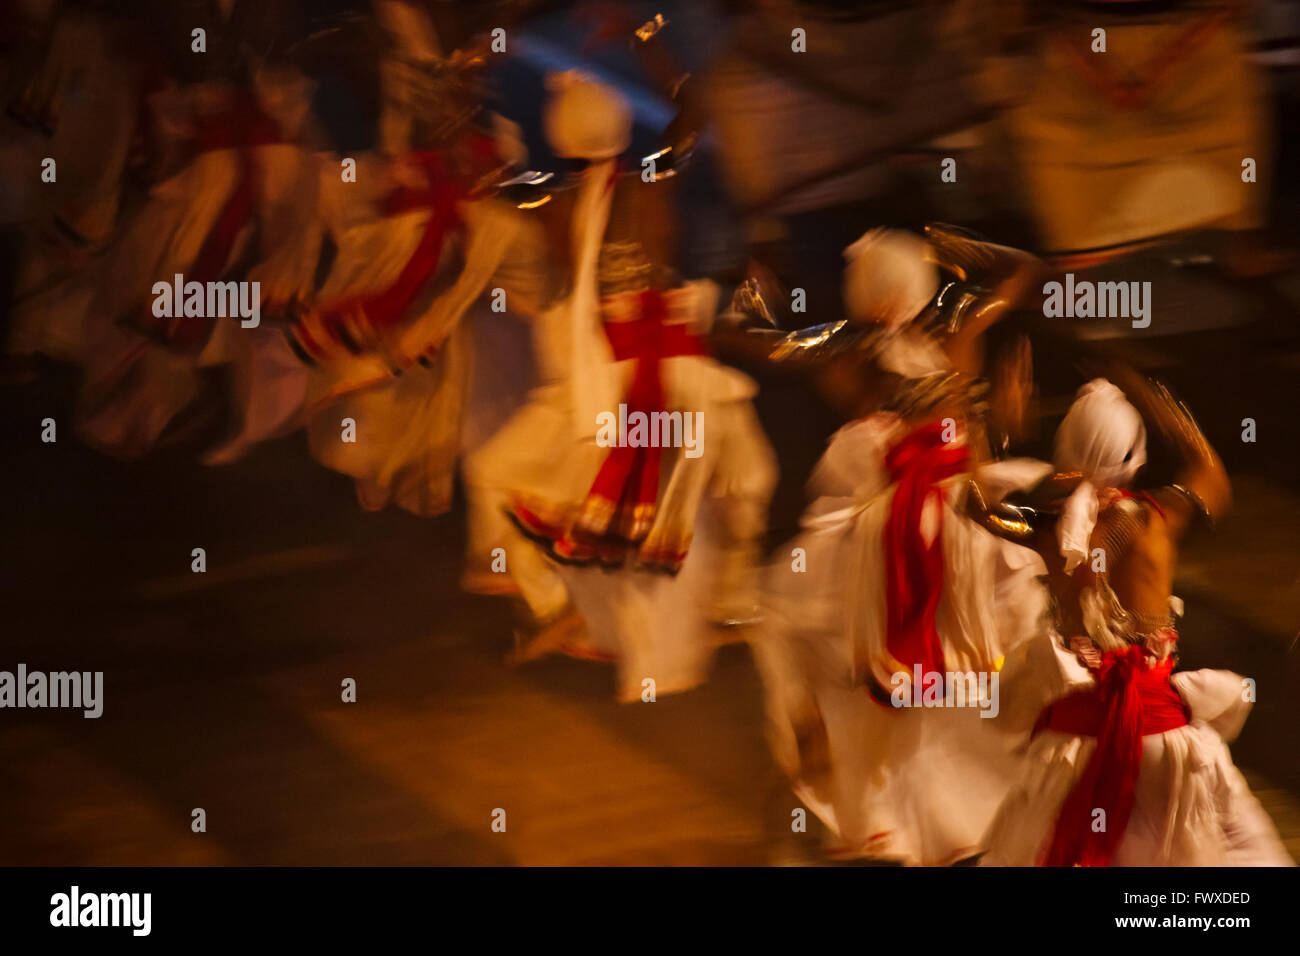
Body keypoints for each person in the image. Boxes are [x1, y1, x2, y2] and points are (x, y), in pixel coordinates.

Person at [749, 226, 1052, 864]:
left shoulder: (847, 356)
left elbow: (767, 346)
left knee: (818, 642)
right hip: (962, 527)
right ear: (920, 285)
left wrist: (755, 298)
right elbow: (1023, 269)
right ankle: (948, 817)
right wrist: (951, 245)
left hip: (885, 534)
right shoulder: (958, 335)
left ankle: (863, 805)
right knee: (950, 697)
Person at [979, 371, 1292, 866]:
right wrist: (1151, 391)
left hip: (1077, 746)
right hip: (1158, 742)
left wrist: (1003, 427)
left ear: (1067, 457)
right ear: (1136, 456)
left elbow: (975, 501)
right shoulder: (1159, 518)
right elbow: (1209, 470)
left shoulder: (1047, 533)